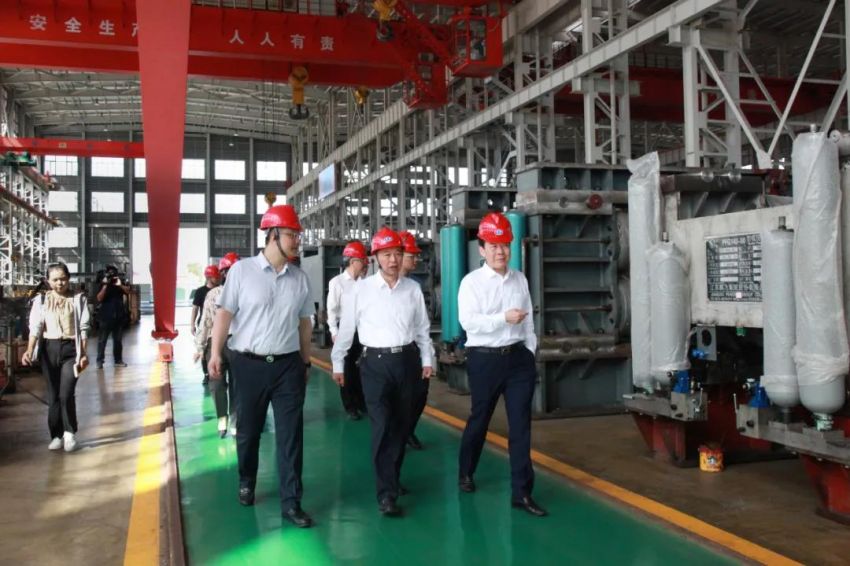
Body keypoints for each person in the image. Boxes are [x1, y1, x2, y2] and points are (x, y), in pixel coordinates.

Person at [208, 205, 315, 529]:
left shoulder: (300, 279)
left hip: (288, 366)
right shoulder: (242, 272)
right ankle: (247, 480)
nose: (297, 241)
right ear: (272, 235)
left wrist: (306, 360)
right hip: (248, 364)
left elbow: (305, 324)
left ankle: (291, 502)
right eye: (291, 235)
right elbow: (224, 314)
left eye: (297, 235)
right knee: (249, 431)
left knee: (291, 436)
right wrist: (215, 353)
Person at [331, 227, 433, 517]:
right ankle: (386, 493)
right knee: (382, 425)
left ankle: (392, 477)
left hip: (407, 361)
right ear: (375, 257)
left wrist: (428, 358)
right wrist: (338, 362)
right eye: (387, 254)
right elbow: (347, 330)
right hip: (374, 364)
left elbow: (422, 328)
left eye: (397, 254)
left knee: (401, 426)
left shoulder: (412, 289)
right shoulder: (360, 290)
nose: (393, 260)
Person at [457, 212, 547, 517]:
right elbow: (468, 322)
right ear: (481, 249)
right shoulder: (471, 283)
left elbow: (529, 320)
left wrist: (530, 350)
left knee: (520, 425)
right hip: (484, 360)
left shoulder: (519, 279)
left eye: (505, 245)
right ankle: (466, 470)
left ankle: (522, 493)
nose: (500, 251)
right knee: (480, 419)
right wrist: (502, 319)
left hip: (518, 360)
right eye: (494, 245)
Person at [22, 262, 91, 452]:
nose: (60, 283)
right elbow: (35, 327)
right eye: (55, 280)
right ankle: (56, 435)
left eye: (63, 279)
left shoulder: (78, 299)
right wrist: (29, 350)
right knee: (53, 395)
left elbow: (84, 329)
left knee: (66, 393)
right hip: (48, 349)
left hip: (71, 350)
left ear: (68, 278)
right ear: (48, 281)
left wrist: (83, 354)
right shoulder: (41, 300)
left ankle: (70, 433)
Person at [194, 253, 239, 437]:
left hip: (239, 344)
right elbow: (205, 322)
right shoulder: (213, 295)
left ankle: (235, 422)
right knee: (217, 385)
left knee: (238, 386)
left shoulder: (247, 292)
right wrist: (200, 347)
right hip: (216, 344)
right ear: (223, 273)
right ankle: (222, 420)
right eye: (229, 270)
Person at [326, 241, 368, 420]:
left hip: (362, 331)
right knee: (347, 369)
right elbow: (332, 310)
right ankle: (350, 406)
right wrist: (334, 332)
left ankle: (362, 402)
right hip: (345, 331)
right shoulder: (337, 283)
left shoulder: (365, 283)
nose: (365, 264)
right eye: (362, 260)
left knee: (362, 368)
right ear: (352, 261)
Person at [398, 230, 428, 450]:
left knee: (420, 393)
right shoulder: (376, 287)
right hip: (392, 353)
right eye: (412, 256)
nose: (416, 259)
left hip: (414, 349)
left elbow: (422, 323)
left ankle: (407, 430)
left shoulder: (414, 286)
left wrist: (427, 355)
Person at [191, 264, 221, 384]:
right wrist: (192, 324)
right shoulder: (200, 291)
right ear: (208, 277)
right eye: (216, 277)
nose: (218, 278)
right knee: (204, 352)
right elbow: (195, 309)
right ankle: (206, 374)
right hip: (204, 325)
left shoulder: (221, 290)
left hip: (218, 325)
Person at [95, 265, 129, 369]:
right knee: (102, 340)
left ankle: (118, 360)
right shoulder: (103, 284)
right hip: (105, 317)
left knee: (118, 340)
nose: (112, 277)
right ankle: (99, 361)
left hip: (118, 316)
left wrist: (120, 285)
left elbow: (128, 291)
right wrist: (105, 285)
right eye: (110, 274)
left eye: (114, 274)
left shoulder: (119, 283)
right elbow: (99, 298)